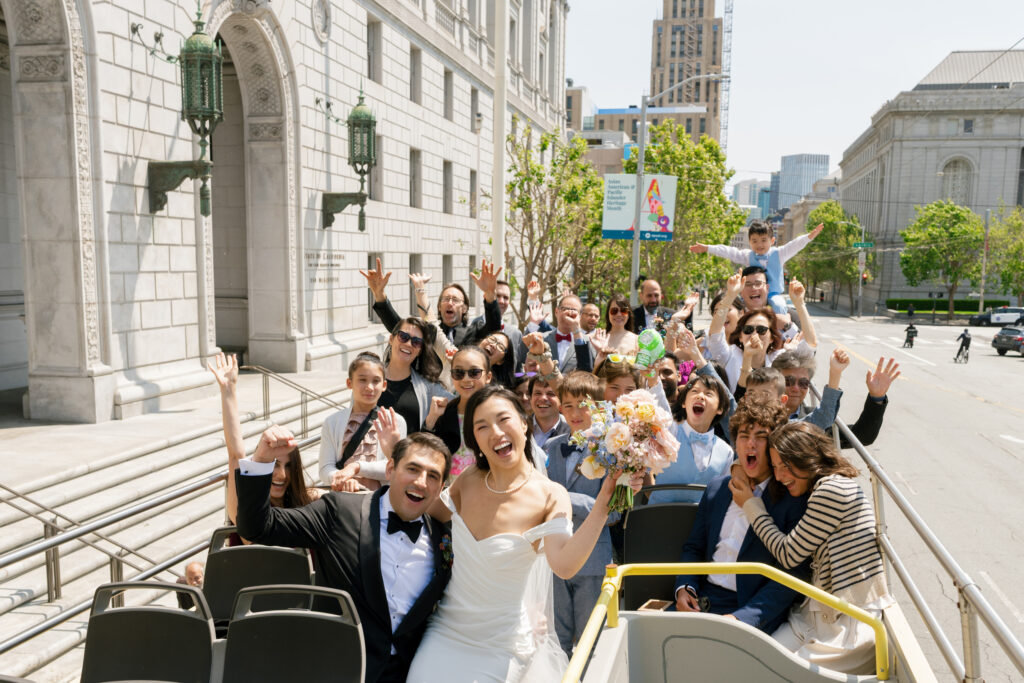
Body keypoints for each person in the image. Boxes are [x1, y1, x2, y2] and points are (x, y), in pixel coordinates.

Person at [407, 385, 632, 682]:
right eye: (482, 426)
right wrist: (396, 463)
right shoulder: (468, 480)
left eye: (504, 419)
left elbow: (564, 565)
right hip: (446, 631)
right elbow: (430, 510)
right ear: (475, 439)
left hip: (502, 644)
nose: (496, 432)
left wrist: (602, 504)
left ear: (524, 424)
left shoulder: (550, 495)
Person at [235, 429, 453, 683]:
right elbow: (258, 526)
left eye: (433, 476)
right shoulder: (339, 511)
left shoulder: (443, 538)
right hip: (336, 669)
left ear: (441, 487)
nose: (421, 482)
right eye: (413, 469)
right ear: (390, 469)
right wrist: (261, 460)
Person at [730, 422, 893, 674]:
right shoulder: (824, 486)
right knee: (756, 666)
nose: (781, 476)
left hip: (848, 622)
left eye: (787, 466)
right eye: (775, 467)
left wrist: (751, 506)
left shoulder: (832, 489)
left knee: (776, 673)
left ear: (807, 457)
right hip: (813, 613)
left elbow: (789, 554)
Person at [674, 399, 809, 633]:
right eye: (744, 436)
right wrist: (685, 588)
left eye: (761, 437)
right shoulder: (717, 488)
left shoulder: (792, 500)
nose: (751, 445)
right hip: (702, 600)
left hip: (748, 609)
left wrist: (742, 619)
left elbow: (792, 576)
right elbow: (694, 547)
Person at [207, 352, 322, 538]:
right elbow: (236, 455)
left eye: (289, 466)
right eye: (274, 465)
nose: (282, 475)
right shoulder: (246, 509)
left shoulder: (304, 500)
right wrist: (228, 390)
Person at [542, 371, 617, 657]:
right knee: (555, 641)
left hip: (593, 559)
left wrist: (562, 497)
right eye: (568, 405)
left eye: (582, 404)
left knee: (591, 642)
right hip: (554, 555)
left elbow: (613, 513)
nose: (575, 412)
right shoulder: (549, 447)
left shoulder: (611, 449)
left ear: (598, 406)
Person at [649, 332, 734, 504]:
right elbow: (659, 402)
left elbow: (722, 497)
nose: (700, 397)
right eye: (694, 392)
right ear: (683, 403)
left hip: (701, 527)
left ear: (720, 409)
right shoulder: (669, 432)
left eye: (709, 393)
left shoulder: (726, 452)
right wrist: (651, 376)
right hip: (658, 522)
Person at [708, 272, 818, 392]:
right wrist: (730, 295)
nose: (754, 335)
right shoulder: (729, 355)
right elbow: (715, 335)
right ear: (740, 336)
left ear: (771, 337)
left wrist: (799, 303)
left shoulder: (778, 358)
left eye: (762, 330)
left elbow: (810, 344)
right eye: (748, 330)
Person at [362, 257, 502, 349]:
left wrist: (490, 295)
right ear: (439, 307)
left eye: (455, 300)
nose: (450, 303)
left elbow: (493, 326)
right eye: (446, 299)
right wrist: (379, 295)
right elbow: (397, 326)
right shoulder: (427, 330)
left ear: (465, 308)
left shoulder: (474, 331)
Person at [691, 221, 823, 315]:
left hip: (773, 294)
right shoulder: (748, 256)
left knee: (779, 306)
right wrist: (708, 248)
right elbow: (729, 251)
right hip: (751, 293)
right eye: (754, 241)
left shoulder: (779, 253)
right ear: (749, 242)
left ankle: (781, 332)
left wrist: (809, 237)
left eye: (764, 240)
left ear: (772, 241)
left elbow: (794, 245)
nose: (759, 244)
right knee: (733, 307)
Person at [319, 352, 407, 492]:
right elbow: (325, 469)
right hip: (342, 498)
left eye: (376, 381)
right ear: (349, 383)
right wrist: (343, 478)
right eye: (362, 380)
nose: (369, 387)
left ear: (384, 385)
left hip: (379, 500)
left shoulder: (395, 421)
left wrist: (357, 467)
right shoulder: (332, 422)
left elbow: (396, 466)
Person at [426, 346, 492, 478]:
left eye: (474, 372)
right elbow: (426, 454)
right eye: (458, 373)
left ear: (488, 377)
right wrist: (431, 420)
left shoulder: (498, 413)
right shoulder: (443, 412)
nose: (466, 379)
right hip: (449, 493)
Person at [378, 317, 452, 433]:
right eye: (403, 336)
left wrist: (457, 367)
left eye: (416, 342)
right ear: (391, 339)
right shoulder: (369, 377)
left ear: (420, 351)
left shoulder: (429, 387)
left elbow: (462, 403)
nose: (408, 344)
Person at [529, 375, 569, 449]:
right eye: (538, 393)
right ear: (530, 398)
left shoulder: (571, 431)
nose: (543, 398)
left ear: (562, 400)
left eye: (550, 394)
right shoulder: (520, 427)